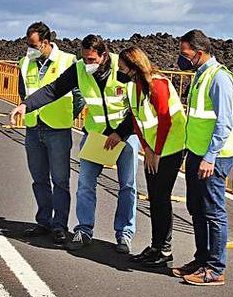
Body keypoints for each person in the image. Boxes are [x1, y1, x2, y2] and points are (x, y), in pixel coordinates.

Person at [11, 35, 139, 253]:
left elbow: (137, 105)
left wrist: (121, 132)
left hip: (125, 135)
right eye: (85, 58)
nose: (87, 64)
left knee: (127, 186)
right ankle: (84, 230)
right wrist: (26, 105)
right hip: (96, 134)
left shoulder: (122, 66)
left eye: (92, 60)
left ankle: (124, 234)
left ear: (103, 55)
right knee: (85, 184)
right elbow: (54, 89)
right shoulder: (79, 69)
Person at [171, 30, 233, 286]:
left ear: (199, 52)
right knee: (196, 209)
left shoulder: (219, 78)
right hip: (197, 154)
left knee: (213, 212)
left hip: (213, 158)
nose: (182, 58)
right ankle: (201, 260)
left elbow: (224, 123)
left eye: (185, 53)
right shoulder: (200, 75)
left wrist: (210, 156)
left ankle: (215, 268)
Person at [117, 47, 186, 267]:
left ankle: (164, 249)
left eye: (122, 67)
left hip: (171, 147)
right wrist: (146, 148)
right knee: (155, 198)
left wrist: (156, 151)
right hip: (153, 149)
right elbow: (138, 120)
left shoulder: (158, 84)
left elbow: (165, 120)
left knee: (161, 197)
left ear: (133, 66)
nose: (119, 71)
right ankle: (156, 246)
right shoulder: (134, 87)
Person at [17, 22, 82, 245]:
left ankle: (59, 225)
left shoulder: (67, 60)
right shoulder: (25, 63)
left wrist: (67, 116)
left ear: (45, 43)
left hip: (58, 129)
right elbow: (22, 92)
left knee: (61, 180)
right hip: (33, 127)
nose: (29, 48)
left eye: (33, 44)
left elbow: (78, 95)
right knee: (39, 178)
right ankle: (43, 220)